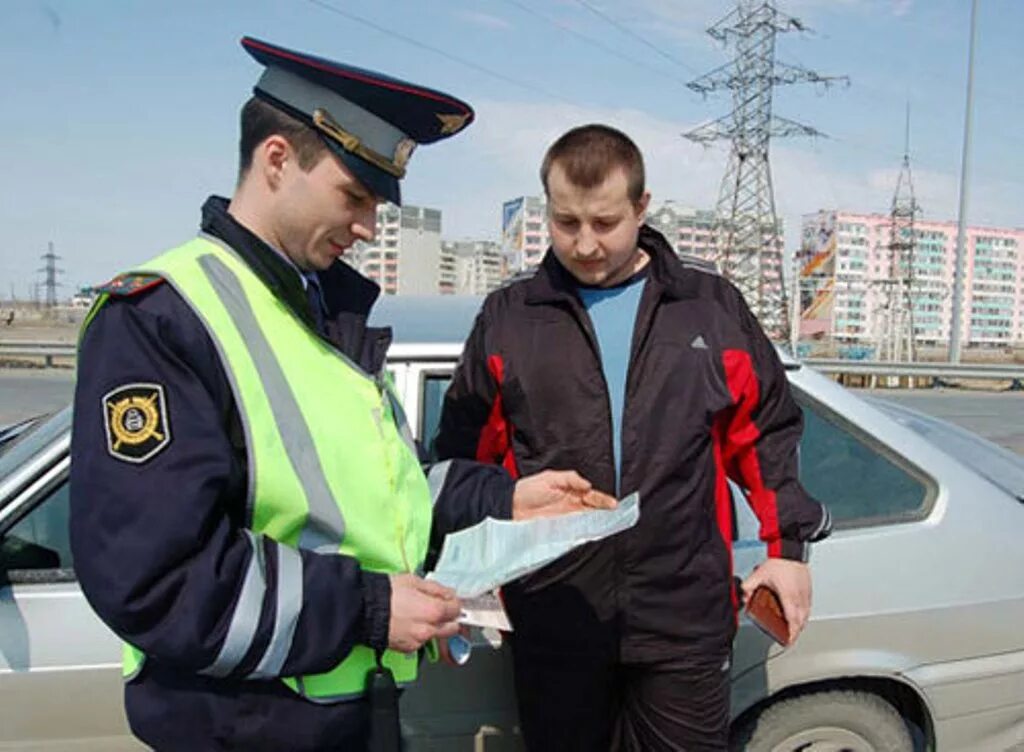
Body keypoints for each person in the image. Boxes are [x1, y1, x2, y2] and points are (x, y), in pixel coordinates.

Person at [69, 39, 612, 752]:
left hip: (348, 713)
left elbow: (385, 490)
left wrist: (508, 499)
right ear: (275, 161)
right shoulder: (162, 317)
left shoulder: (315, 312)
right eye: (354, 196)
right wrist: (367, 606)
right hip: (243, 724)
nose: (366, 227)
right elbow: (157, 575)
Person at [433, 124, 832, 751]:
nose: (586, 243)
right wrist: (456, 567)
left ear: (642, 209)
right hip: (554, 609)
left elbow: (767, 434)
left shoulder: (709, 309)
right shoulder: (512, 319)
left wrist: (786, 549)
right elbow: (462, 461)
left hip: (684, 617)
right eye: (566, 223)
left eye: (605, 222)